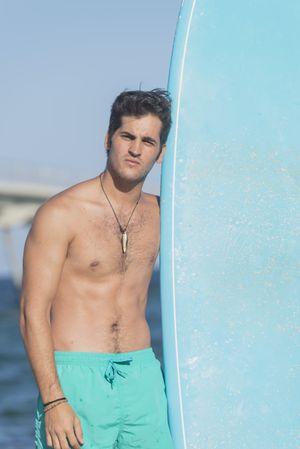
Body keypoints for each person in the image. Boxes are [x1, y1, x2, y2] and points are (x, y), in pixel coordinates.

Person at [19, 89, 173, 449]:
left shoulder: (166, 215)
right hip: (76, 380)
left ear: (161, 153)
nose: (136, 149)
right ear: (108, 139)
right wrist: (54, 399)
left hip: (143, 379)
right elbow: (31, 313)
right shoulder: (60, 214)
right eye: (127, 136)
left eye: (148, 141)